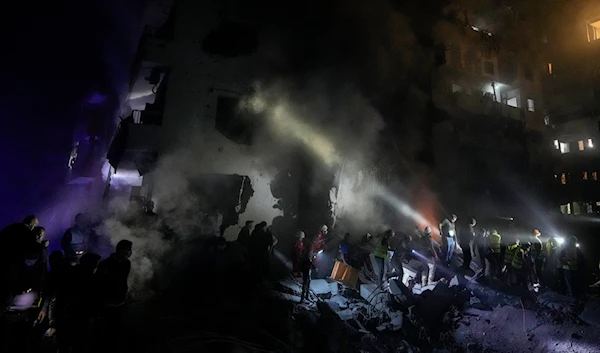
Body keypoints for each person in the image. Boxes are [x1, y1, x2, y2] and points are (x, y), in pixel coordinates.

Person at [2, 242, 48, 353]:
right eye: (30, 255)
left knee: (22, 344)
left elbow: (45, 290)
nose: (32, 259)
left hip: (28, 315)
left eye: (35, 256)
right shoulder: (11, 268)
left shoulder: (40, 270)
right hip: (9, 315)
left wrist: (43, 308)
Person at [96, 240, 133, 350]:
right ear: (121, 250)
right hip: (107, 303)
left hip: (120, 302)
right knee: (105, 330)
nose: (130, 252)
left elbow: (123, 280)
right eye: (128, 249)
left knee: (117, 329)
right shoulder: (105, 264)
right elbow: (98, 283)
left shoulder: (127, 263)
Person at [300, 234, 315, 302]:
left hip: (306, 267)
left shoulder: (306, 247)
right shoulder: (309, 248)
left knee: (306, 282)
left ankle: (304, 297)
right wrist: (313, 267)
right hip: (307, 268)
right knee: (306, 282)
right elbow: (308, 260)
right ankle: (304, 297)